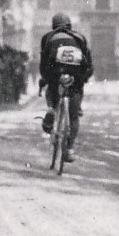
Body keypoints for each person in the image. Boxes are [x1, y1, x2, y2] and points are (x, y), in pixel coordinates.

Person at [39, 13, 94, 162]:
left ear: (53, 25)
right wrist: (83, 79)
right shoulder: (80, 38)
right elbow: (88, 65)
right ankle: (69, 149)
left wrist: (45, 78)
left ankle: (51, 109)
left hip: (56, 76)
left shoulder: (48, 38)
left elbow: (44, 64)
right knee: (74, 116)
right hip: (75, 79)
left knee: (51, 90)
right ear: (69, 25)